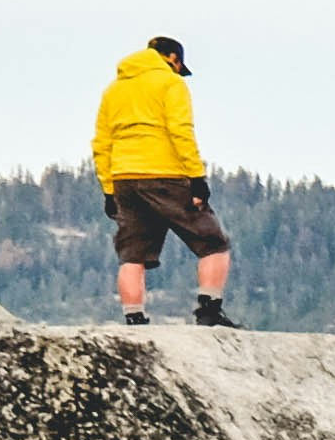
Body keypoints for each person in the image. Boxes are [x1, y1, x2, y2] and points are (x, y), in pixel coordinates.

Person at [91, 37, 233, 328]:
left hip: (124, 179)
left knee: (133, 252)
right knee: (213, 242)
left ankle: (134, 318)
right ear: (172, 58)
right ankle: (209, 311)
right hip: (165, 173)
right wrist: (196, 177)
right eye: (179, 65)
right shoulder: (171, 83)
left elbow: (101, 142)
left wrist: (109, 190)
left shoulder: (114, 89)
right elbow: (180, 130)